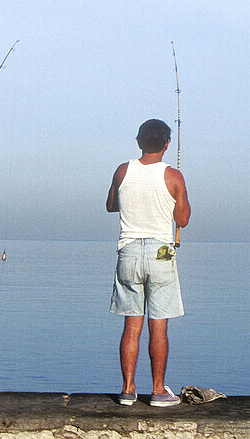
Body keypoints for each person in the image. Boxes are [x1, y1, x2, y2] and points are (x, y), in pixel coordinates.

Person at [105, 119, 191, 408]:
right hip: (162, 252)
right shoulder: (174, 176)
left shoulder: (122, 170)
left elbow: (111, 205)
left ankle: (128, 389)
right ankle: (157, 390)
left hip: (128, 250)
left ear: (138, 141)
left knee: (132, 325)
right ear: (167, 144)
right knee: (159, 327)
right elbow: (183, 220)